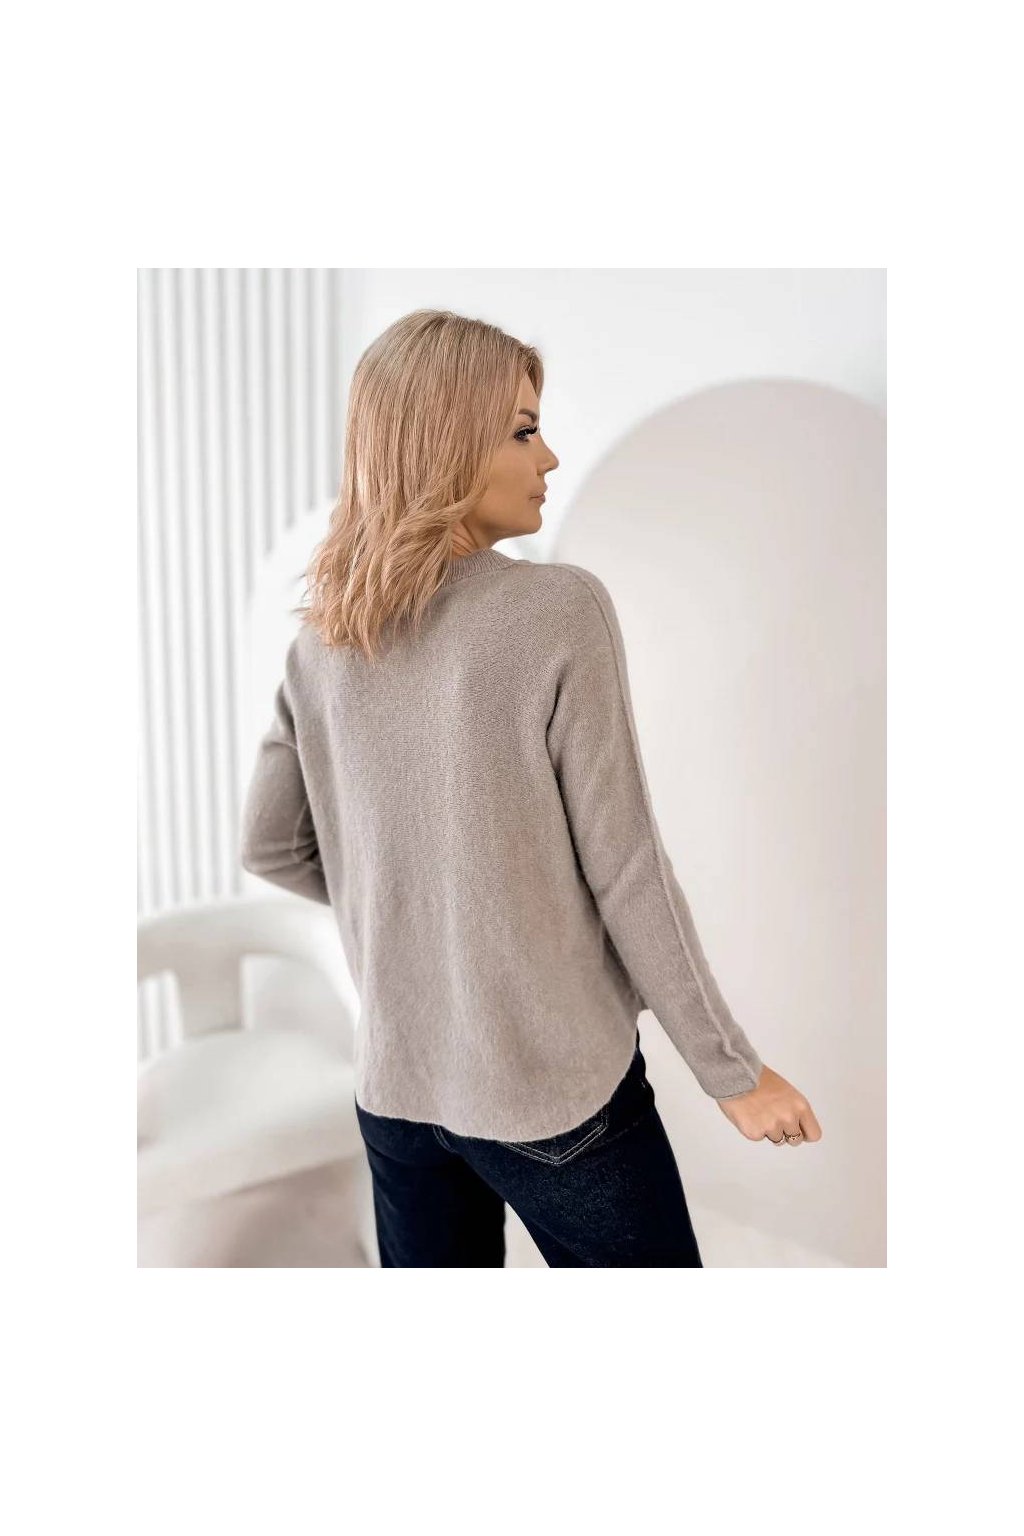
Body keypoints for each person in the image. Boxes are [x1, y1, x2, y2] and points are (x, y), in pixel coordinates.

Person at [240, 308, 822, 1268]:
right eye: (522, 430)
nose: (547, 457)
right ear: (446, 440)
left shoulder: (323, 640)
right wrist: (733, 1072)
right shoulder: (556, 609)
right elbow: (627, 869)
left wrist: (421, 918)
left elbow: (271, 846)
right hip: (551, 1095)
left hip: (396, 1092)